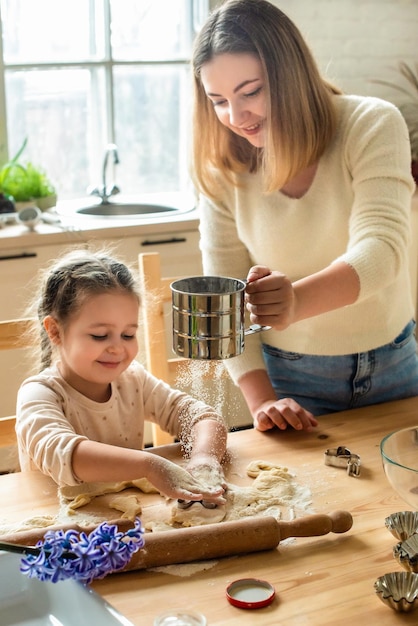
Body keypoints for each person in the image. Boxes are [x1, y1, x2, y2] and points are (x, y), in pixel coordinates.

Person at [191, 0, 418, 433]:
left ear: (290, 74)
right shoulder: (222, 170)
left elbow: (382, 249)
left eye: (251, 92)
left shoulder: (370, 124)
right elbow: (223, 307)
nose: (236, 117)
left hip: (395, 363)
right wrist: (264, 405)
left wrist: (295, 302)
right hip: (293, 378)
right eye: (218, 101)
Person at [16, 248, 228, 504]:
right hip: (55, 525)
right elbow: (65, 454)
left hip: (124, 521)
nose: (118, 348)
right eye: (100, 335)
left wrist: (204, 457)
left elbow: (200, 416)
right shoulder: (40, 395)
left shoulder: (132, 379)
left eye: (128, 335)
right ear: (55, 331)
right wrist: (150, 465)